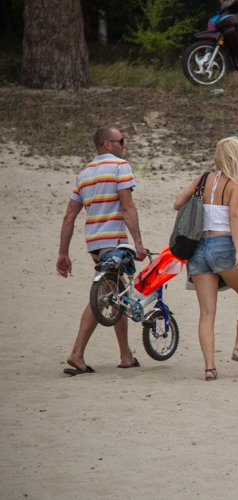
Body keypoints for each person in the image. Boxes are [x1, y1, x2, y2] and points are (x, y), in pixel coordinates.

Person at [56, 127, 146, 376]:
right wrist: (138, 243)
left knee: (115, 293)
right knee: (103, 296)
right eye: (121, 141)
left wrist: (63, 253)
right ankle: (77, 353)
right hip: (113, 241)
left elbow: (69, 217)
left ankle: (126, 355)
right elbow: (127, 208)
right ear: (108, 144)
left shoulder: (84, 173)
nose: (124, 145)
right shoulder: (120, 166)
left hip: (94, 243)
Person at [173, 137, 238, 381]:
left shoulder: (202, 179)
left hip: (197, 248)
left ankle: (210, 368)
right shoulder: (236, 183)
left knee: (206, 313)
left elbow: (177, 204)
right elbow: (234, 216)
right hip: (222, 246)